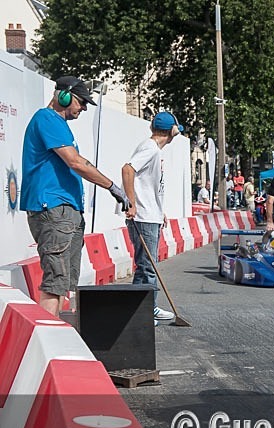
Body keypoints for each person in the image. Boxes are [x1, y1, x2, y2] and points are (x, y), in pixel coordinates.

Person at [20, 75, 129, 317]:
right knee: (54, 283)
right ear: (64, 95)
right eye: (81, 102)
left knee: (63, 284)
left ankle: (56, 336)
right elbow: (76, 163)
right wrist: (112, 187)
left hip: (65, 210)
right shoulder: (46, 119)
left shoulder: (58, 125)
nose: (83, 109)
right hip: (53, 209)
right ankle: (48, 342)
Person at [122, 111, 185, 325]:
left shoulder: (151, 149)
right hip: (144, 216)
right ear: (172, 131)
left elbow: (147, 185)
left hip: (150, 214)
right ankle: (144, 311)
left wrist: (159, 211)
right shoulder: (150, 149)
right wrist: (131, 202)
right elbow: (128, 170)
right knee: (148, 266)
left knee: (146, 265)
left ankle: (146, 307)